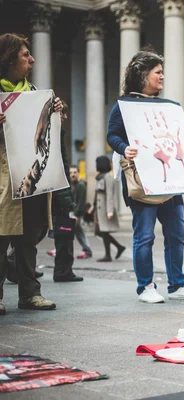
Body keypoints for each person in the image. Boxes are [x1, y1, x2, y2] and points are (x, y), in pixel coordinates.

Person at [107, 48, 184, 303]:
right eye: (158, 72)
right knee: (145, 236)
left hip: (170, 180)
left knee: (177, 234)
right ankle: (145, 287)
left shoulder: (170, 107)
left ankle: (177, 285)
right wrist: (123, 148)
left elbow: (175, 138)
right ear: (142, 75)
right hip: (143, 181)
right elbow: (112, 135)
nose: (162, 77)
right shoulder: (124, 106)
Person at [0, 33, 60, 314]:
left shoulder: (34, 91)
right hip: (4, 179)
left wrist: (59, 110)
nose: (32, 59)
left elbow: (48, 133)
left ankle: (30, 294)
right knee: (1, 238)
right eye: (26, 55)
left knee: (28, 241)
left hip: (32, 180)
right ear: (9, 59)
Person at [50, 103, 83, 282]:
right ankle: (62, 271)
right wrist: (67, 200)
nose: (65, 117)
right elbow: (59, 169)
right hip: (58, 194)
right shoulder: (53, 136)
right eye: (63, 114)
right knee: (63, 235)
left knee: (63, 235)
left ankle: (63, 271)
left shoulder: (58, 135)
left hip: (59, 194)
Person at [92, 155, 125, 263]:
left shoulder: (108, 177)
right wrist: (93, 207)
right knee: (99, 231)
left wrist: (110, 211)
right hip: (99, 210)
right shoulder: (100, 176)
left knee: (104, 232)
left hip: (105, 210)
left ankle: (108, 255)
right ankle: (119, 247)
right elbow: (97, 194)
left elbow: (110, 194)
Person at [70, 165, 93, 259]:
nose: (72, 174)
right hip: (74, 213)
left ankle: (87, 250)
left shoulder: (81, 185)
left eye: (75, 172)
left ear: (78, 173)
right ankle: (87, 250)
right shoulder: (72, 185)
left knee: (71, 232)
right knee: (78, 232)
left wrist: (76, 214)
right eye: (71, 173)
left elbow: (81, 202)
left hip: (77, 214)